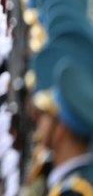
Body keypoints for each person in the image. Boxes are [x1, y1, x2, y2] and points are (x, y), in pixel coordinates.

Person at [32, 60, 93, 195]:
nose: (39, 123)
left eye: (46, 115)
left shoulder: (74, 191)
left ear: (60, 129)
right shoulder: (72, 182)